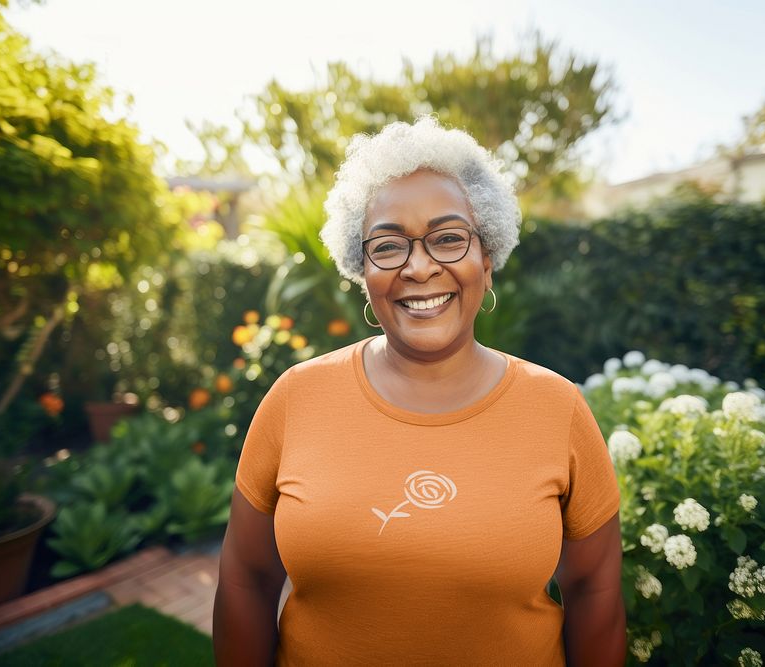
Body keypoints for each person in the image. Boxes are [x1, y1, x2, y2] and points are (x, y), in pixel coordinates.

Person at [213, 116, 624, 666]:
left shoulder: (557, 408)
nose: (420, 266)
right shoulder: (295, 399)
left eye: (448, 238)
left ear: (488, 257)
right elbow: (246, 579)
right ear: (363, 272)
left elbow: (595, 589)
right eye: (388, 246)